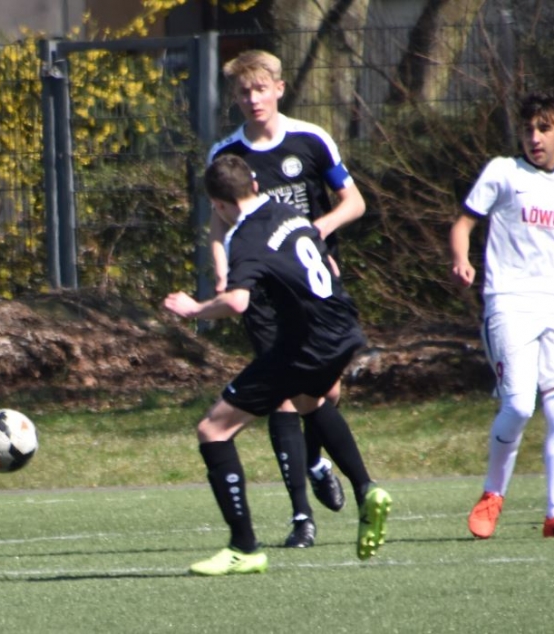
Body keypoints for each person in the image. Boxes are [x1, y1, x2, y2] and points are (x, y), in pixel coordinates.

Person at [165, 154, 391, 576]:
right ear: (254, 183)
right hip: (344, 328)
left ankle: (244, 548)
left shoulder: (244, 237)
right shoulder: (289, 212)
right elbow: (328, 263)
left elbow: (237, 302)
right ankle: (366, 490)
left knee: (213, 429)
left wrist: (194, 309)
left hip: (306, 343)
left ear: (218, 204)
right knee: (308, 401)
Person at [207, 49, 368, 548]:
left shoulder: (310, 140)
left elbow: (354, 202)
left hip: (312, 290)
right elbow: (218, 226)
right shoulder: (227, 155)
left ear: (279, 88)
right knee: (282, 395)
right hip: (263, 297)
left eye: (261, 89)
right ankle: (302, 517)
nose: (253, 99)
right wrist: (223, 275)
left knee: (323, 396)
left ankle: (316, 460)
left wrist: (314, 234)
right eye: (243, 92)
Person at [449, 89, 554, 539]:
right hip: (509, 302)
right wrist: (462, 259)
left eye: (544, 128)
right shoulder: (503, 173)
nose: (535, 137)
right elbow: (463, 224)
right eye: (528, 129)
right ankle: (492, 494)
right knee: (520, 405)